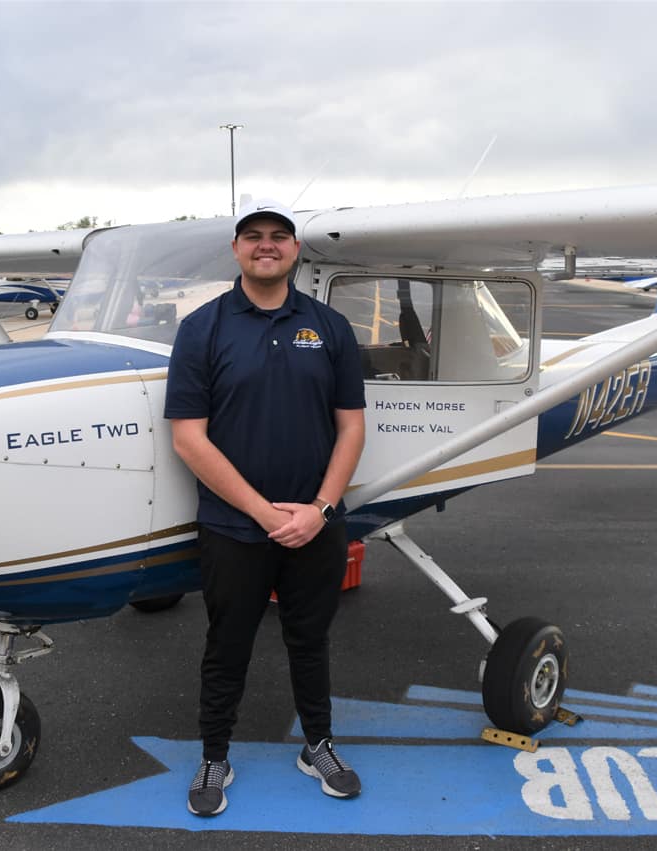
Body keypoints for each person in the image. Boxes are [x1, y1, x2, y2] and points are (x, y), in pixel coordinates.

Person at [164, 198, 367, 817]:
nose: (266, 245)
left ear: (295, 250)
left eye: (279, 236)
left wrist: (321, 510)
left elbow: (352, 427)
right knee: (228, 645)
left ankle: (318, 746)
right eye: (253, 237)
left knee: (310, 641)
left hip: (315, 526)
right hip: (233, 528)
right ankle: (215, 756)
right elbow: (187, 437)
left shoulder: (330, 327)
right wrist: (263, 513)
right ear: (236, 250)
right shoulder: (202, 327)